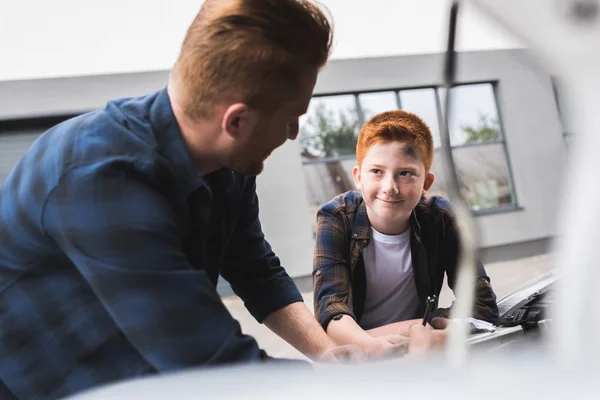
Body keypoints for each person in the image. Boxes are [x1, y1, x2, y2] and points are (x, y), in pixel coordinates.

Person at [0, 1, 449, 399]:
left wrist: (335, 353)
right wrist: (400, 381)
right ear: (237, 121)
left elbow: (256, 271)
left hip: (142, 373)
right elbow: (216, 370)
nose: (293, 134)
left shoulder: (226, 164)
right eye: (292, 117)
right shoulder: (100, 178)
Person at [313, 110, 499, 354]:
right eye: (376, 171)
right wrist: (376, 343)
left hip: (415, 349)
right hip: (357, 350)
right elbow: (330, 310)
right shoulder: (336, 217)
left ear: (426, 183)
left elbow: (482, 305)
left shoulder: (441, 219)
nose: (390, 188)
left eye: (405, 173)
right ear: (358, 178)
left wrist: (425, 328)